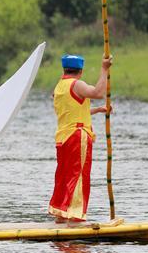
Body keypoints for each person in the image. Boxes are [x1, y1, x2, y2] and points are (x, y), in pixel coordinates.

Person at [48, 53, 113, 223]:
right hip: (77, 136)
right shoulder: (77, 84)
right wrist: (104, 69)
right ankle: (75, 215)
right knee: (79, 175)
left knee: (63, 174)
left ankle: (60, 213)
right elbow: (98, 92)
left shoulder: (59, 87)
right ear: (81, 71)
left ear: (64, 69)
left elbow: (73, 112)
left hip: (63, 137)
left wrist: (98, 110)